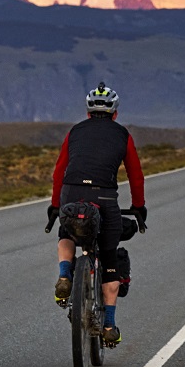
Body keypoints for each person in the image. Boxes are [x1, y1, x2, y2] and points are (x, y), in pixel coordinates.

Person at [46, 82, 147, 348]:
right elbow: (135, 176)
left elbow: (59, 172)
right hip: (104, 197)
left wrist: (56, 204)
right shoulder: (123, 135)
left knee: (66, 231)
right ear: (115, 112)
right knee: (109, 255)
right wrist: (139, 207)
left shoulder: (75, 131)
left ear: (89, 112)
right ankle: (110, 326)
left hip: (72, 194)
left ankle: (66, 274)